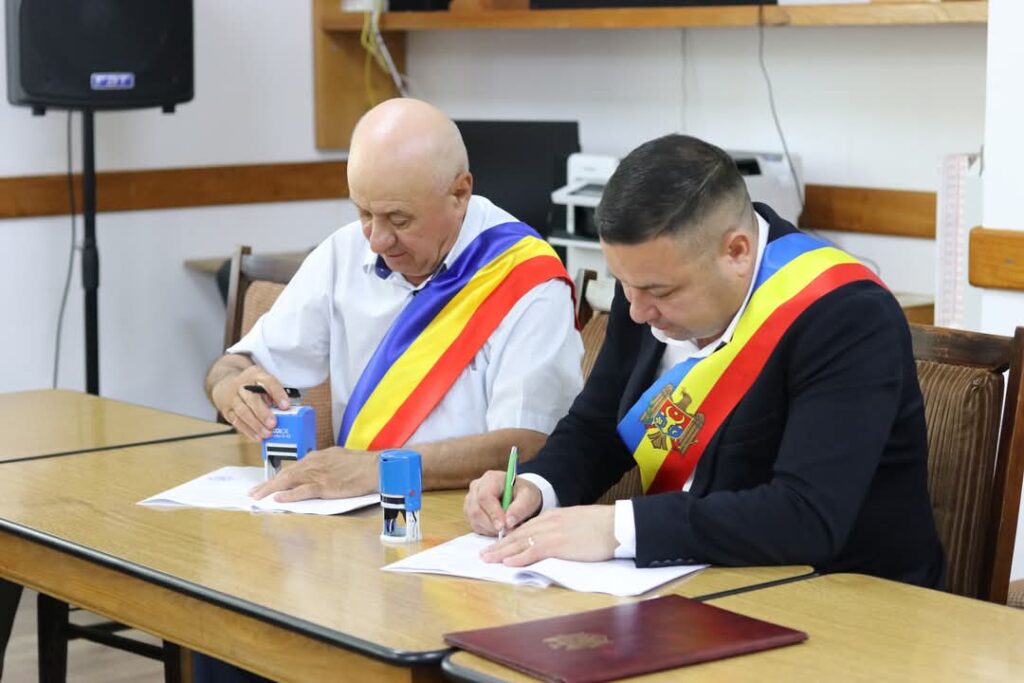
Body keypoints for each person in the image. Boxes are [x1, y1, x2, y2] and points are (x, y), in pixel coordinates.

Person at [197, 100, 583, 681]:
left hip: (456, 544)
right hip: (345, 531)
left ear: (460, 192)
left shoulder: (525, 280)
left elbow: (528, 445)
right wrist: (229, 385)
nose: (377, 239)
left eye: (399, 219)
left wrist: (375, 469)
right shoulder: (345, 251)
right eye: (363, 213)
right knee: (226, 627)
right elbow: (237, 362)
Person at [465, 134, 945, 588]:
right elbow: (597, 426)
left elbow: (805, 515)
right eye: (625, 286)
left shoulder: (846, 314)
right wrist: (536, 488)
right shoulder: (647, 280)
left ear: (736, 252)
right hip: (679, 581)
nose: (636, 311)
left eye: (659, 292)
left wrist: (618, 529)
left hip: (836, 599)